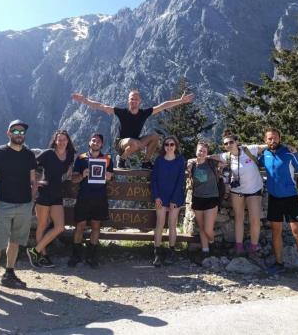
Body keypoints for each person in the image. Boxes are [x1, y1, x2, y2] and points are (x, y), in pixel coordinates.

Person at [0, 120, 38, 296]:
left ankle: (9, 274)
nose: (19, 134)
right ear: (8, 133)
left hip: (24, 204)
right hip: (3, 205)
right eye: (15, 131)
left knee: (15, 241)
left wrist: (31, 201)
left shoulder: (28, 155)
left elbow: (33, 180)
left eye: (22, 132)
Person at [72, 89, 194, 169]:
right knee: (134, 142)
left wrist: (180, 101)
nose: (134, 101)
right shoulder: (122, 112)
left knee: (155, 136)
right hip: (121, 143)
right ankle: (122, 159)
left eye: (136, 99)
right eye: (131, 99)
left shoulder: (143, 113)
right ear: (128, 100)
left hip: (136, 143)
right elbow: (101, 106)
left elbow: (163, 106)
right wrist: (84, 100)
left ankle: (146, 162)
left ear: (139, 101)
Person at [258, 128, 298, 287]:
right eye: (269, 138)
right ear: (265, 140)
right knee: (275, 231)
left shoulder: (290, 153)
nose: (272, 141)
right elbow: (250, 160)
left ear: (280, 138)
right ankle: (279, 264)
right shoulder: (264, 155)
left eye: (275, 138)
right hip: (274, 198)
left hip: (290, 198)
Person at [208, 131, 265, 259]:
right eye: (226, 143)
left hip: (254, 189)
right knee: (238, 218)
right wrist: (194, 160)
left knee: (254, 219)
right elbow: (210, 156)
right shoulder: (226, 157)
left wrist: (288, 148)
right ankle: (239, 247)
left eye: (231, 142)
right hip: (237, 191)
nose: (228, 145)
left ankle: (253, 248)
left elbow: (267, 146)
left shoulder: (250, 150)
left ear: (237, 142)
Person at [26, 130, 76, 268]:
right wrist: (36, 182)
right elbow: (31, 165)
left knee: (59, 227)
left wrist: (71, 174)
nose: (61, 142)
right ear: (55, 141)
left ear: (68, 141)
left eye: (64, 140)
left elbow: (68, 172)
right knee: (42, 224)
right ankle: (43, 256)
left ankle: (34, 251)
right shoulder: (48, 154)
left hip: (57, 193)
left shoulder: (70, 155)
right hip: (44, 192)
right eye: (59, 140)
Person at [67, 133, 113, 268]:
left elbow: (111, 177)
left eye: (99, 141)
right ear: (89, 142)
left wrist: (110, 176)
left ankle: (91, 256)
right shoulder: (81, 158)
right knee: (80, 226)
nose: (96, 142)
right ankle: (75, 255)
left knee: (96, 226)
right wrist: (82, 175)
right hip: (84, 198)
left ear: (102, 144)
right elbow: (74, 179)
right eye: (93, 140)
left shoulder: (107, 159)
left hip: (100, 198)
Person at [150, 136, 186, 267]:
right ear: (163, 146)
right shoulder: (159, 160)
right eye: (166, 144)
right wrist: (156, 197)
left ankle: (171, 251)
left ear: (176, 146)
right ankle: (157, 253)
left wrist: (174, 200)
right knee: (159, 224)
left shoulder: (180, 160)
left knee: (172, 224)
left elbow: (180, 181)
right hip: (161, 197)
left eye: (172, 144)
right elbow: (153, 180)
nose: (169, 147)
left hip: (175, 197)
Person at [187, 141, 222, 264]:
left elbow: (225, 160)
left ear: (207, 153)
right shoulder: (192, 164)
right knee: (201, 227)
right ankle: (205, 250)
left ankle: (212, 242)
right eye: (200, 150)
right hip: (197, 198)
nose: (201, 153)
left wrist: (210, 156)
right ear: (196, 151)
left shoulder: (211, 163)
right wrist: (192, 161)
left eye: (204, 151)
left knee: (208, 229)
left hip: (212, 197)